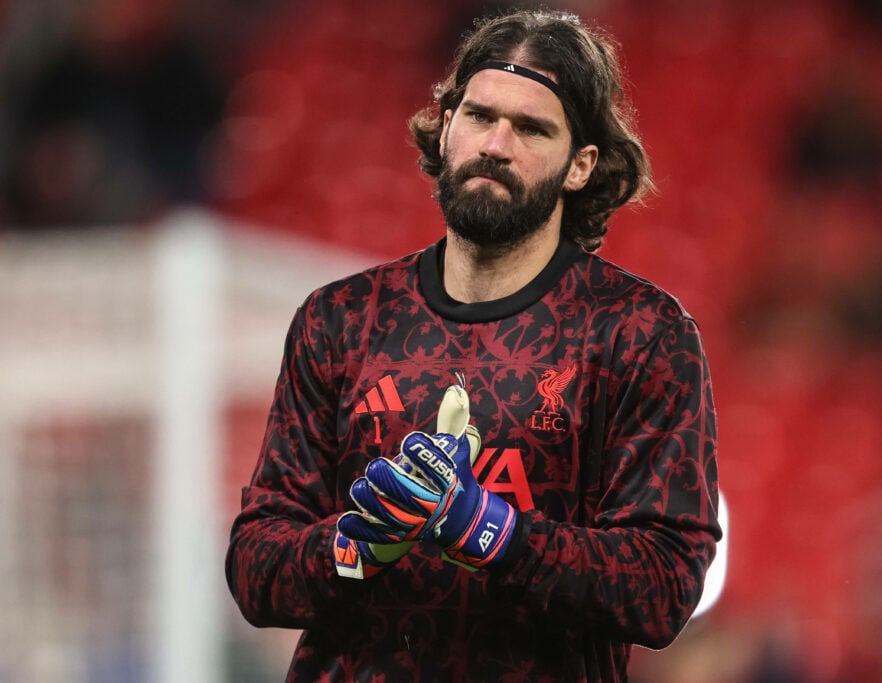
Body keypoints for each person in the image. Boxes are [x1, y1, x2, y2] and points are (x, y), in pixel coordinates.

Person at [226, 9, 721, 681]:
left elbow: (665, 587)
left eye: (531, 128)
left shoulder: (641, 332)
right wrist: (352, 545)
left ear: (580, 166)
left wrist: (493, 530)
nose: (496, 143)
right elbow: (255, 566)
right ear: (446, 126)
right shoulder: (339, 318)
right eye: (480, 116)